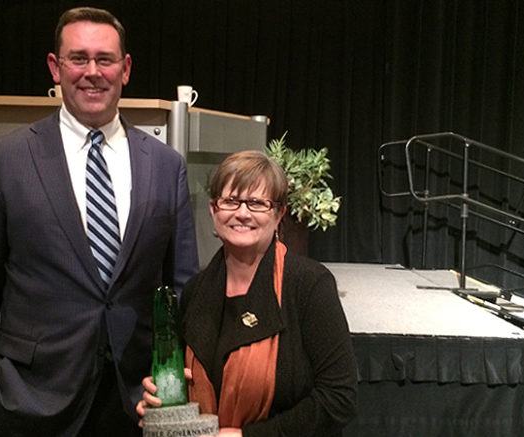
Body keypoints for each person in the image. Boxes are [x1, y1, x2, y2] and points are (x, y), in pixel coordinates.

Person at [0, 6, 198, 436]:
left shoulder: (164, 164)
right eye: (78, 58)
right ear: (55, 67)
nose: (92, 72)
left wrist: (176, 380)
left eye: (105, 59)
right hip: (30, 401)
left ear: (126, 68)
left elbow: (183, 287)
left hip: (137, 402)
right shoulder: (4, 161)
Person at [136, 150, 358, 436]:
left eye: (256, 203)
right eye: (231, 201)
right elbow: (183, 383)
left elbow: (339, 399)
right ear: (214, 209)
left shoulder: (309, 285)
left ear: (279, 214)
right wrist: (161, 402)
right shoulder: (195, 290)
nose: (242, 213)